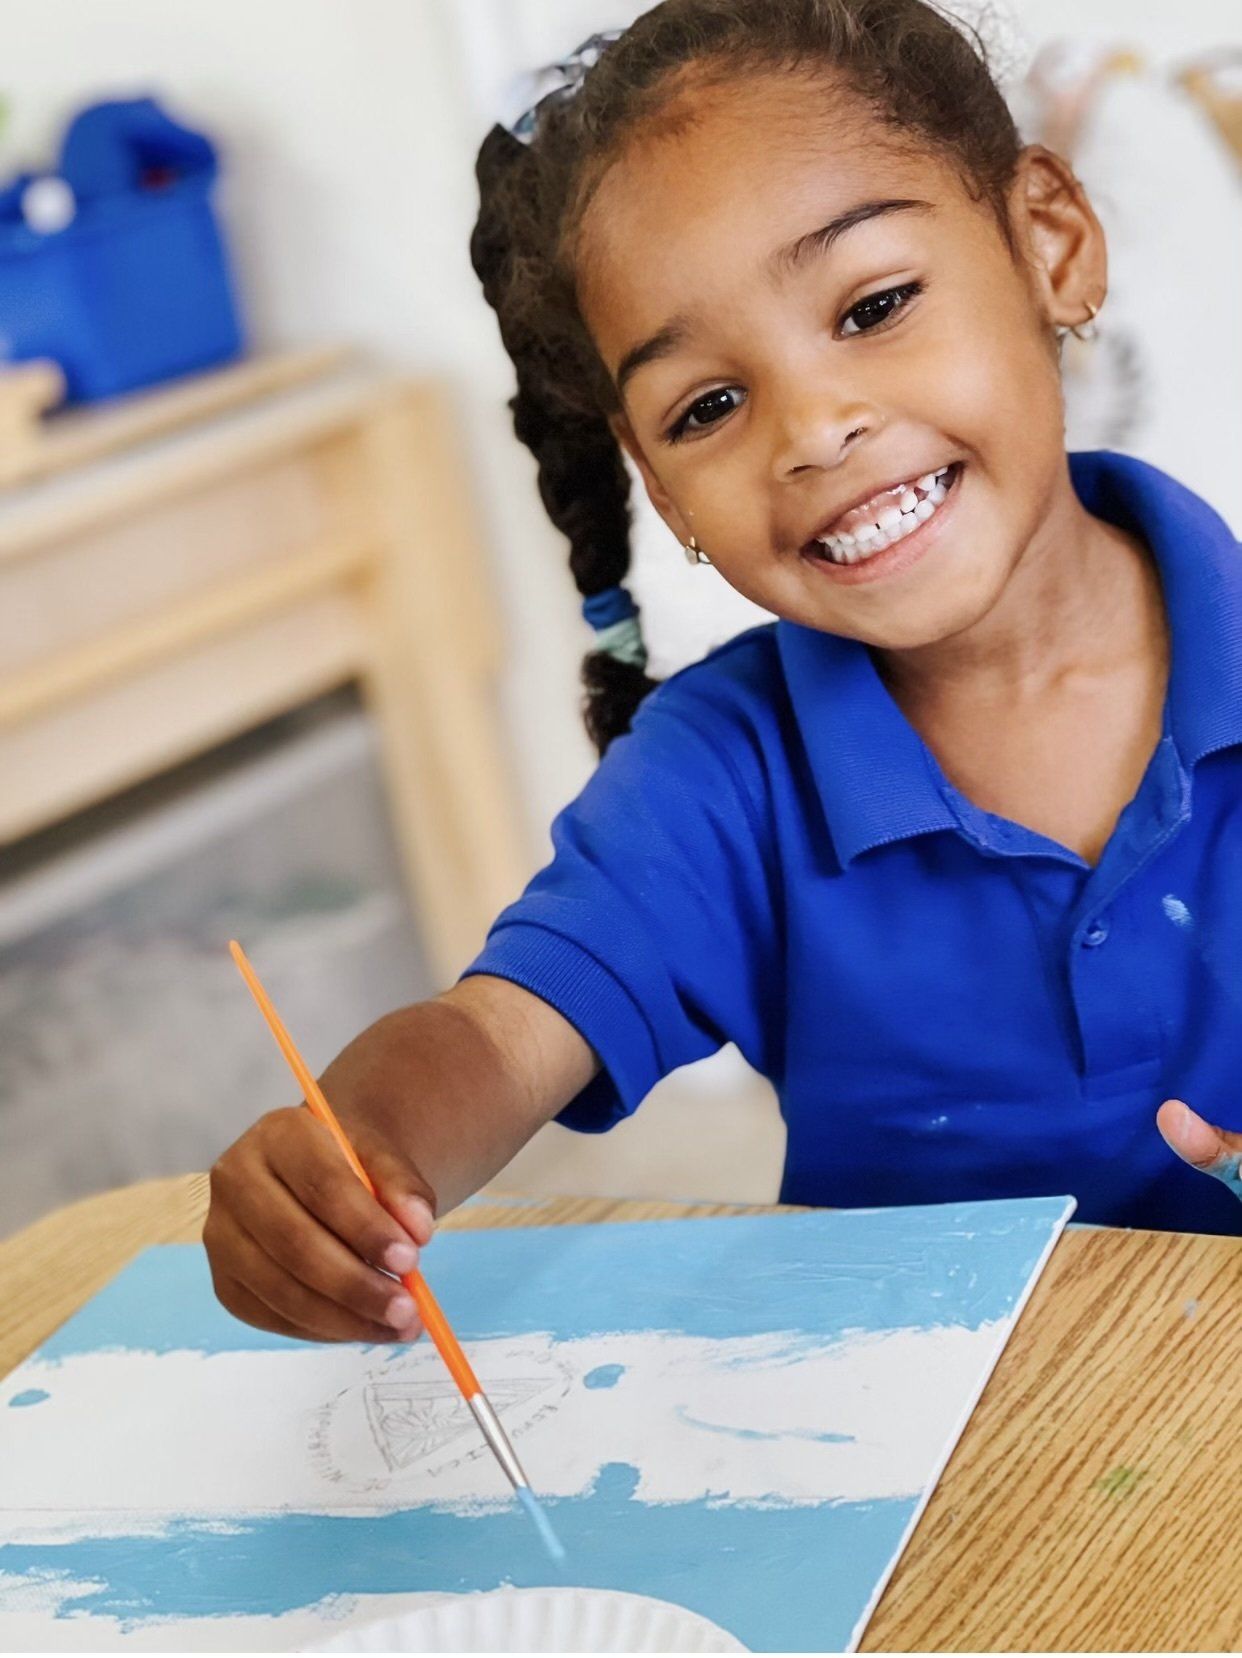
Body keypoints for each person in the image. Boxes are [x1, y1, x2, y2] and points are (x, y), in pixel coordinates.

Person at [205, 0, 1242, 1346]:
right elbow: (503, 1034)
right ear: (661, 488)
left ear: (1049, 240)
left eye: (873, 306)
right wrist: (361, 1149)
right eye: (707, 406)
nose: (812, 429)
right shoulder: (724, 772)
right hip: (917, 1437)